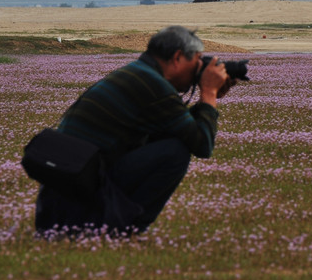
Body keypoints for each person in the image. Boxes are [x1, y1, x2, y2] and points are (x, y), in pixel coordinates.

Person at [34, 25, 238, 236]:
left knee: (168, 142)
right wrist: (208, 94)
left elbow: (179, 128)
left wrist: (207, 97)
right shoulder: (153, 85)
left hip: (56, 206)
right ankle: (126, 230)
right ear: (177, 57)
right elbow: (202, 144)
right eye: (196, 62)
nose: (198, 71)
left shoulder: (138, 74)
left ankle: (105, 224)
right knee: (175, 152)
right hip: (75, 202)